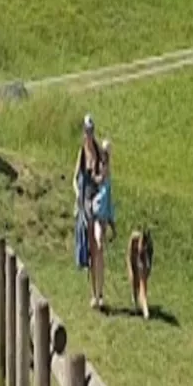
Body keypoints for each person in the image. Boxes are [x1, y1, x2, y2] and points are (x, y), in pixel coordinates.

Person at [74, 115, 107, 309]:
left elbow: (104, 176)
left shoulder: (98, 151)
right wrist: (78, 194)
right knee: (92, 251)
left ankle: (101, 292)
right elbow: (75, 178)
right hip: (86, 203)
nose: (89, 134)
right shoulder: (81, 153)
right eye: (87, 131)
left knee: (100, 243)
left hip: (97, 202)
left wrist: (100, 177)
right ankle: (94, 294)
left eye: (91, 131)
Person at [126, 228, 154, 319]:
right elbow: (129, 257)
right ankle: (135, 302)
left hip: (143, 258)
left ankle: (145, 308)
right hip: (133, 257)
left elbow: (149, 264)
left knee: (142, 284)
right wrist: (131, 270)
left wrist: (146, 273)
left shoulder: (148, 246)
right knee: (134, 280)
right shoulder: (134, 238)